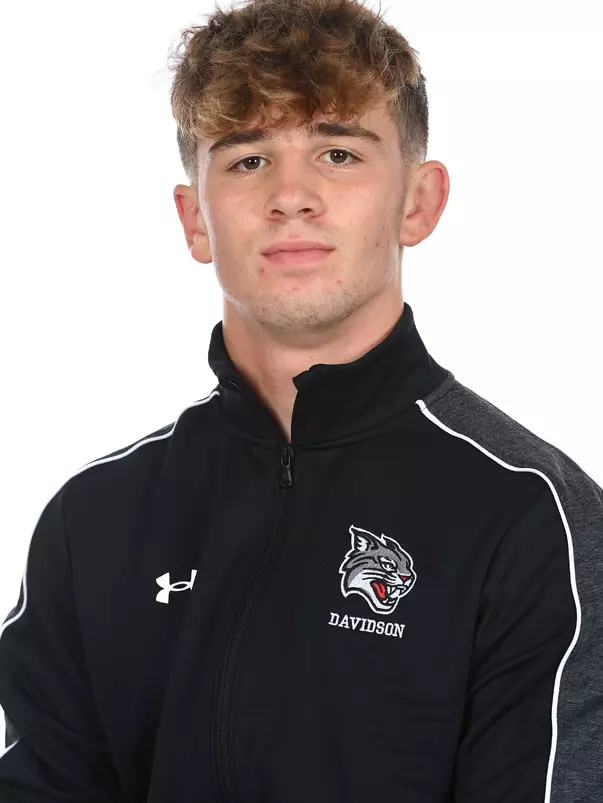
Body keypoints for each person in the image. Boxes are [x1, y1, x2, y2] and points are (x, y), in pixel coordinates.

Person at [1, 0, 601, 800]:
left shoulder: (533, 517)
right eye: (247, 160)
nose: (292, 196)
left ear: (417, 202)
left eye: (338, 154)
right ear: (195, 220)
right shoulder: (94, 519)